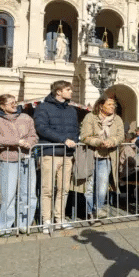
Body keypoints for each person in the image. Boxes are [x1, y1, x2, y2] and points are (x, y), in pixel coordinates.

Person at [0, 94, 38, 235]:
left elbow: (34, 135)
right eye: (11, 104)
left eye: (15, 102)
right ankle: (5, 227)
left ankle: (24, 223)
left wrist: (30, 143)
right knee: (8, 195)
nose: (15, 105)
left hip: (27, 158)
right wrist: (17, 141)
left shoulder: (26, 118)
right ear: (2, 106)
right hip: (8, 159)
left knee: (29, 193)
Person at [34, 80, 79, 233]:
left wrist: (75, 140)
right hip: (50, 153)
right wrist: (63, 140)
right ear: (58, 92)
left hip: (67, 155)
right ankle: (46, 220)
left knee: (64, 188)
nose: (71, 92)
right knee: (47, 189)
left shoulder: (72, 110)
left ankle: (60, 218)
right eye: (68, 89)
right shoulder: (43, 107)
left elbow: (76, 130)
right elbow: (41, 128)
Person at [80, 94, 124, 220]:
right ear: (101, 106)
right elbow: (84, 136)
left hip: (106, 157)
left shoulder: (117, 119)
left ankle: (97, 209)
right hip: (90, 155)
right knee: (88, 187)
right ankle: (90, 213)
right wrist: (98, 142)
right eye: (109, 104)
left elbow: (121, 136)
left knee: (102, 186)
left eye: (113, 104)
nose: (113, 107)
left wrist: (112, 141)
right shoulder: (90, 117)